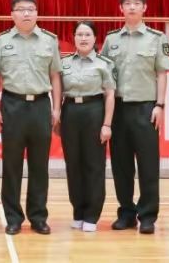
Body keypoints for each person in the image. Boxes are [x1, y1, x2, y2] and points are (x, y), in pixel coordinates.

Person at [101, 0, 169, 234]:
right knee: (121, 165)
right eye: (127, 3)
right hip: (118, 109)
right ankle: (126, 213)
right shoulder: (111, 39)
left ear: (145, 8)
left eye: (136, 3)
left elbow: (162, 73)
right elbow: (103, 74)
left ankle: (148, 215)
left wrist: (160, 105)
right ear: (121, 8)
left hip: (145, 108)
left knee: (148, 165)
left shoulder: (157, 38)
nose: (132, 7)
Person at [0, 0, 62, 235]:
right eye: (21, 9)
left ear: (37, 13)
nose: (26, 14)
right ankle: (13, 218)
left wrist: (56, 107)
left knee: (39, 165)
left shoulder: (49, 41)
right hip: (12, 105)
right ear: (12, 14)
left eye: (30, 9)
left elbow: (55, 75)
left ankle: (38, 216)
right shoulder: (1, 41)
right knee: (11, 164)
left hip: (40, 105)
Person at [59, 21, 115, 233]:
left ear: (95, 38)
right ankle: (78, 211)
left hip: (94, 111)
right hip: (70, 111)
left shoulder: (104, 64)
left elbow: (110, 94)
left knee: (94, 164)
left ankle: (92, 213)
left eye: (87, 34)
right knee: (73, 164)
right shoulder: (64, 63)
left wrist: (106, 124)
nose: (83, 38)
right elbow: (58, 91)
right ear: (73, 38)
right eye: (79, 34)